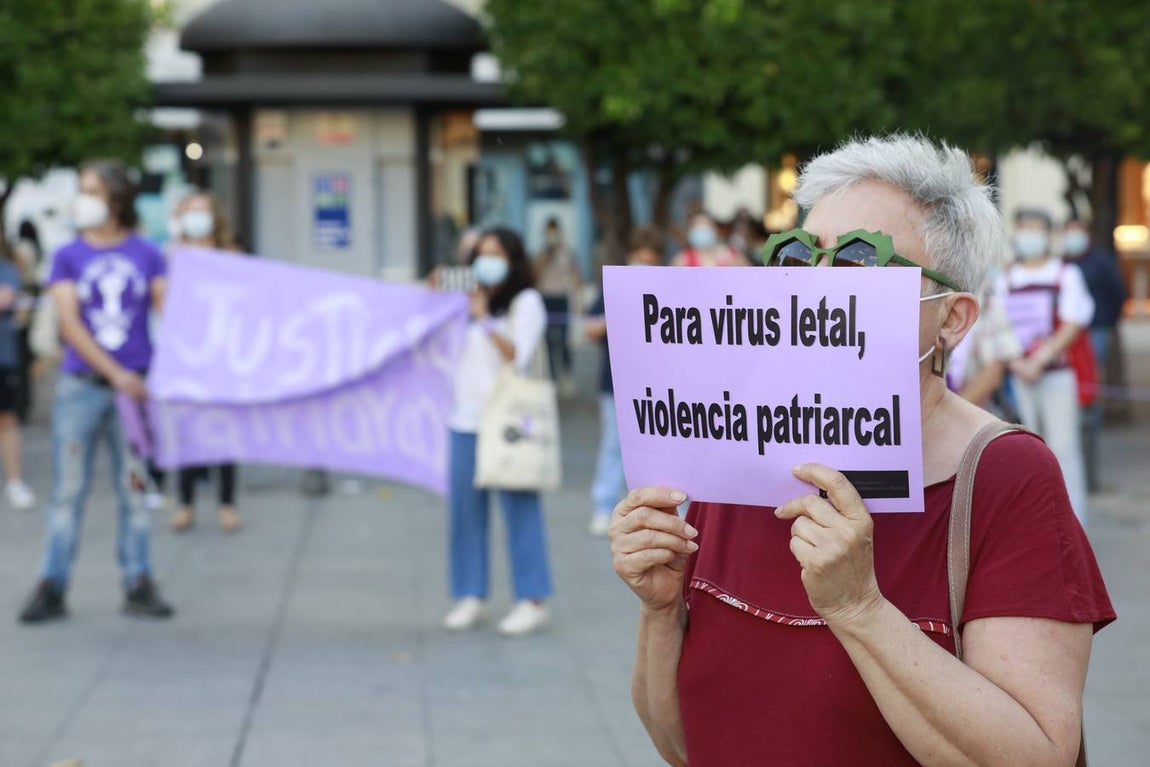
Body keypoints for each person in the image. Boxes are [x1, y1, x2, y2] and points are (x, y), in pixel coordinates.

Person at [610, 135, 1113, 766]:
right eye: (796, 256)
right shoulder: (732, 453)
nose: (816, 287)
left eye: (858, 261)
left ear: (951, 318)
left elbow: (1036, 758)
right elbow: (679, 742)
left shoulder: (1006, 475)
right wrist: (659, 611)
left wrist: (859, 608)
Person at [19, 159, 174, 623]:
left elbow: (171, 313)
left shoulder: (147, 253)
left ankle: (138, 579)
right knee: (68, 490)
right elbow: (70, 323)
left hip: (134, 395)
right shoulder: (68, 256)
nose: (82, 199)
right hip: (82, 389)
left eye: (91, 190)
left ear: (115, 198)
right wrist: (116, 373)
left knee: (134, 487)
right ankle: (53, 583)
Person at [443, 226, 554, 637]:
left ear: (512, 258)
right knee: (465, 513)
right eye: (479, 254)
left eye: (494, 253)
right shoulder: (465, 298)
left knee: (519, 506)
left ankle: (532, 598)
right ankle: (470, 593)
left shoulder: (525, 302)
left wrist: (485, 319)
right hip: (463, 418)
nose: (485, 261)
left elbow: (517, 355)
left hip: (506, 419)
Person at [1003, 208, 1093, 524]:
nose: (1029, 235)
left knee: (1064, 449)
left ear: (1047, 235)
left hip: (1056, 374)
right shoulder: (1006, 277)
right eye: (1024, 228)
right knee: (1026, 451)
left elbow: (1073, 322)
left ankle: (1074, 523)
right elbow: (998, 326)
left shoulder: (1065, 274)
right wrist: (1017, 362)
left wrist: (1040, 359)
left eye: (1036, 229)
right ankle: (1038, 523)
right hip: (1019, 375)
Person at [166, 191, 241, 534]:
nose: (197, 218)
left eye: (202, 212)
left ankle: (227, 503)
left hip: (222, 357)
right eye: (190, 212)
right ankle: (186, 503)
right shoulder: (171, 257)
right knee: (187, 433)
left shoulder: (230, 256)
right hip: (185, 358)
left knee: (224, 433)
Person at [585, 227, 662, 537]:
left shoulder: (665, 287)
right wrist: (616, 316)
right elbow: (588, 328)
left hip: (656, 385)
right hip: (614, 382)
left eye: (651, 261)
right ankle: (604, 507)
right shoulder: (613, 287)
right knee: (613, 445)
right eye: (640, 260)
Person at [1062, 217, 1128, 491]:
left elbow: (1117, 293)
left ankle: (1089, 438)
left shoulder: (1100, 262)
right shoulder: (1061, 264)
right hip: (1067, 337)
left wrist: (1103, 322)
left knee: (1090, 391)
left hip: (1094, 331)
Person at [0, 246, 36, 509]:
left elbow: (16, 305)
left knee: (7, 420)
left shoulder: (8, 268)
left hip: (4, 356)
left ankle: (15, 481)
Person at [533, 217, 582, 397]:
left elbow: (576, 276)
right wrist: (545, 257)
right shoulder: (541, 254)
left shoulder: (567, 253)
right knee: (547, 339)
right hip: (545, 298)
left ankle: (566, 374)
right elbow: (534, 274)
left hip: (561, 297)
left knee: (563, 338)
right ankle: (552, 376)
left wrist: (578, 300)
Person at [670, 211, 749, 267]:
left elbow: (750, 280)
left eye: (706, 226)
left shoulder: (732, 256)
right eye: (698, 226)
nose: (702, 230)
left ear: (714, 229)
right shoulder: (682, 260)